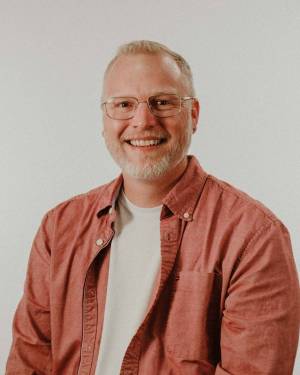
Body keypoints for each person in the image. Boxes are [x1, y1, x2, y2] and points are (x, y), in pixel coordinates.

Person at [6, 40, 300, 375]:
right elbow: (29, 362)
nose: (143, 121)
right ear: (104, 119)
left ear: (193, 114)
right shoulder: (59, 228)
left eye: (162, 103)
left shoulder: (254, 237)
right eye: (124, 105)